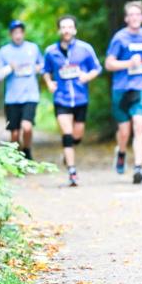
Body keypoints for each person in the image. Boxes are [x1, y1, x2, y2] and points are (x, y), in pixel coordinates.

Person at [42, 15, 102, 186]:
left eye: (69, 27)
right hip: (61, 98)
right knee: (67, 134)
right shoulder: (51, 52)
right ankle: (72, 171)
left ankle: (67, 155)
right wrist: (49, 82)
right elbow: (45, 70)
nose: (66, 30)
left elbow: (97, 68)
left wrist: (87, 76)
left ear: (75, 29)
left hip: (81, 98)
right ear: (59, 30)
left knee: (77, 136)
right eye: (63, 27)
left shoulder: (85, 49)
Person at [105, 0, 142, 185]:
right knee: (124, 131)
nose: (135, 18)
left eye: (138, 15)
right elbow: (109, 64)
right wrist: (129, 63)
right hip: (121, 88)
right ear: (126, 18)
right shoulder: (119, 38)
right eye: (131, 15)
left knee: (139, 124)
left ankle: (138, 167)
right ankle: (121, 152)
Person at [0, 19, 43, 160]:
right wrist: (9, 68)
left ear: (24, 33)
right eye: (15, 32)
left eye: (20, 32)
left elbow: (43, 66)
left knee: (27, 127)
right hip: (12, 98)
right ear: (10, 34)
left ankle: (27, 151)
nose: (18, 35)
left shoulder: (33, 48)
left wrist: (39, 69)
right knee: (14, 133)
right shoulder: (4, 51)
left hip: (30, 95)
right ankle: (15, 156)